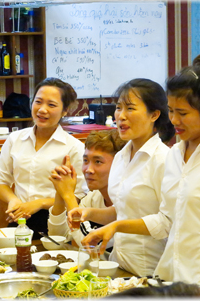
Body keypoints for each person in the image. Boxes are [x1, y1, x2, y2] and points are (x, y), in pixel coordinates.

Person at [83, 57, 200, 298]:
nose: (174, 120)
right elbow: (165, 221)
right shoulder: (175, 155)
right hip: (171, 282)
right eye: (171, 111)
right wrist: (115, 226)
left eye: (182, 113)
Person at [69, 78, 175, 277]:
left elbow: (166, 222)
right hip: (120, 265)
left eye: (130, 109)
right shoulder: (121, 157)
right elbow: (124, 210)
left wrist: (116, 226)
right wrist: (88, 213)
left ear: (154, 115)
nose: (121, 116)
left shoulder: (164, 159)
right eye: (118, 108)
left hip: (152, 271)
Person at [0, 77, 88, 240]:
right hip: (21, 219)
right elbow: (1, 183)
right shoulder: (15, 139)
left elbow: (78, 196)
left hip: (56, 221)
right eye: (38, 102)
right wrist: (13, 200)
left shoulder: (74, 147)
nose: (42, 110)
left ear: (64, 110)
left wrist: (39, 203)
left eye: (51, 105)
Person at [47, 130, 126, 247]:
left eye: (98, 162)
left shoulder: (128, 199)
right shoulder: (93, 198)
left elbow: (90, 245)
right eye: (85, 161)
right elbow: (59, 238)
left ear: (120, 164)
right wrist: (60, 191)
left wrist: (69, 195)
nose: (88, 169)